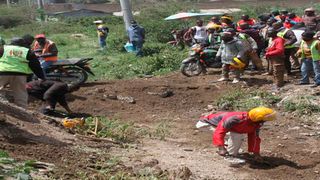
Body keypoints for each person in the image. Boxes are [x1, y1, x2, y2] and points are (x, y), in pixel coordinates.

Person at [200, 107, 276, 159]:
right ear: (258, 119)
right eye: (264, 120)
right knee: (237, 137)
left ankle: (228, 150)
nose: (265, 122)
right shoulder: (235, 119)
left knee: (234, 147)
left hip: (231, 128)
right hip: (208, 123)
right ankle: (224, 149)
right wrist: (221, 148)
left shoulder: (255, 123)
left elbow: (254, 137)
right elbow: (219, 131)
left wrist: (256, 153)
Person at [0, 37, 45, 108]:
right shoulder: (27, 51)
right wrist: (41, 76)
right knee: (20, 93)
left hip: (2, 72)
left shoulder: (3, 48)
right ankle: (23, 110)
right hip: (20, 75)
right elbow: (36, 66)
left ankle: (3, 105)